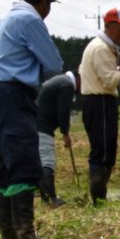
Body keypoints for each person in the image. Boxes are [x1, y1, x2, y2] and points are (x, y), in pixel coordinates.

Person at [0, 0, 64, 239]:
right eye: (48, 5)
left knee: (4, 165)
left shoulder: (6, 20)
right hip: (12, 95)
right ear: (43, 2)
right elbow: (54, 63)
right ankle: (25, 236)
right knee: (23, 163)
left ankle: (9, 237)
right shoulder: (30, 19)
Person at [79, 8, 120, 204]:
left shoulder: (102, 47)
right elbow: (110, 82)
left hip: (98, 102)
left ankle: (99, 198)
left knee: (105, 152)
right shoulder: (101, 49)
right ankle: (98, 201)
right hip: (100, 102)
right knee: (102, 154)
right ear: (110, 26)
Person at [36, 70, 79, 206]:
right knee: (47, 162)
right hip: (41, 127)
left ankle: (45, 198)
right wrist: (65, 133)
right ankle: (52, 198)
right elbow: (63, 111)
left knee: (39, 163)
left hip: (34, 124)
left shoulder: (61, 81)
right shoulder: (67, 85)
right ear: (79, 78)